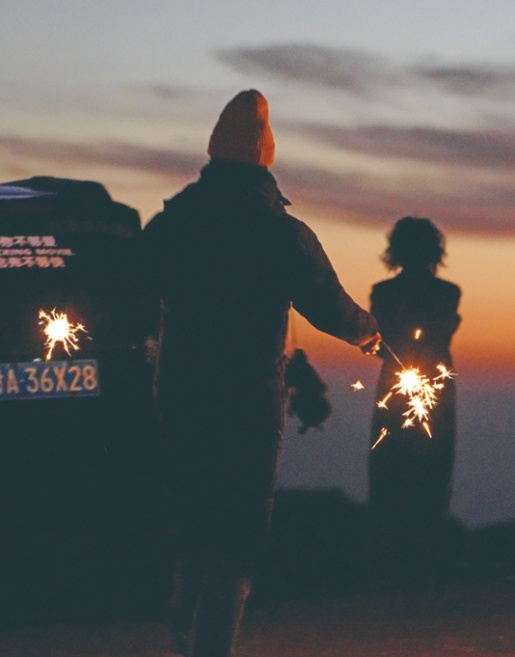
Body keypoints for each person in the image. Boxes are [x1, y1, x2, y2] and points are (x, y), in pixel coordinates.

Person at [140, 89, 380, 657]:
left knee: (193, 507)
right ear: (265, 154)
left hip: (181, 391)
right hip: (248, 399)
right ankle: (212, 642)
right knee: (239, 525)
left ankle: (182, 611)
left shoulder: (173, 223)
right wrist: (371, 332)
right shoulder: (279, 231)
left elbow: (132, 293)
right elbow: (328, 303)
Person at [366, 216, 461, 591]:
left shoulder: (384, 293)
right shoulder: (447, 293)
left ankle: (394, 568)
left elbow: (380, 345)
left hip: (399, 384)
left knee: (393, 470)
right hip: (432, 385)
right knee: (429, 470)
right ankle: (420, 567)